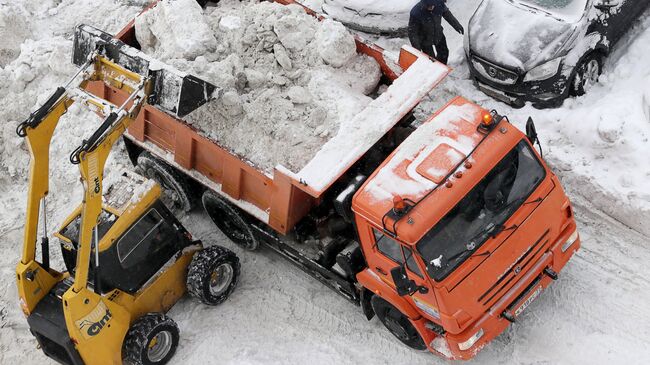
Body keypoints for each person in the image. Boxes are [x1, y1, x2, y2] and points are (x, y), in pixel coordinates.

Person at [408, 0, 464, 65]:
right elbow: (412, 32)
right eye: (428, 6)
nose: (431, 7)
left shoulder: (439, 4)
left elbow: (448, 15)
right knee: (431, 60)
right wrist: (416, 48)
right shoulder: (416, 12)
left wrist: (457, 26)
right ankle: (433, 71)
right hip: (424, 39)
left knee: (444, 54)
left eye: (432, 5)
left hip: (438, 34)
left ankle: (442, 68)